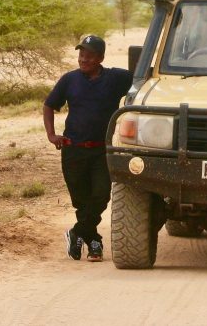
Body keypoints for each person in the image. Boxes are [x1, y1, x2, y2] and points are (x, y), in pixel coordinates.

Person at [43, 34, 133, 262]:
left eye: (89, 56)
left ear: (100, 58)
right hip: (73, 150)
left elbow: (143, 77)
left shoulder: (115, 78)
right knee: (81, 200)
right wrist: (52, 135)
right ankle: (94, 241)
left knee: (101, 195)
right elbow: (49, 105)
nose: (83, 59)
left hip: (102, 151)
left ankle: (77, 232)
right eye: (81, 54)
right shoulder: (69, 80)